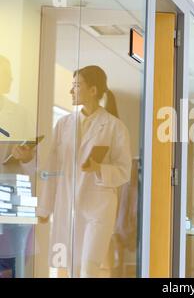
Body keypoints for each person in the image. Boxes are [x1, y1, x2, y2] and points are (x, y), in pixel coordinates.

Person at [36, 65, 132, 278]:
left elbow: (124, 171)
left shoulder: (114, 127)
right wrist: (44, 208)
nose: (71, 91)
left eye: (77, 86)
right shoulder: (63, 124)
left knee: (89, 268)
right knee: (72, 269)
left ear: (93, 90)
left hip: (98, 209)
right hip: (70, 204)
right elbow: (52, 168)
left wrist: (99, 168)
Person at [0, 55, 36, 278]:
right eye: (6, 75)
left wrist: (26, 154)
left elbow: (31, 157)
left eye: (10, 75)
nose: (11, 79)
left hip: (13, 191)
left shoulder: (20, 113)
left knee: (14, 258)